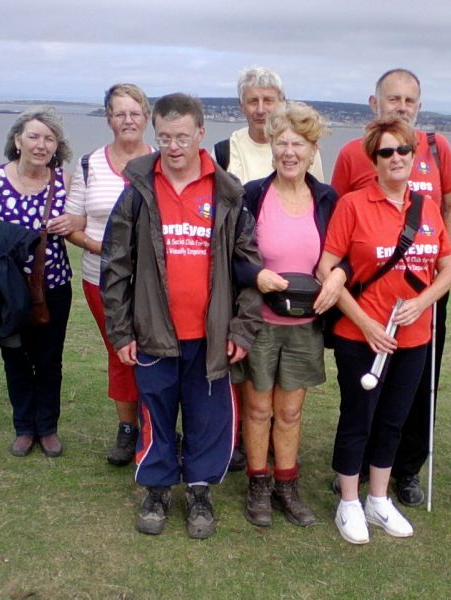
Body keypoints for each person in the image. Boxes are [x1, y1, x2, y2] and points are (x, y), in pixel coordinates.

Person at [100, 93, 263, 540]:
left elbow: (249, 269)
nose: (174, 147)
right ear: (156, 136)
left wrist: (242, 329)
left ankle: (199, 492)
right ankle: (156, 488)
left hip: (210, 338)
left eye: (183, 137)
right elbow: (115, 266)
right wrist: (120, 331)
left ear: (200, 134)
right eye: (165, 137)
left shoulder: (227, 193)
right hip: (153, 332)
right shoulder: (138, 193)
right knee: (156, 412)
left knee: (207, 417)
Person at [318, 117, 451, 544]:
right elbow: (327, 267)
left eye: (403, 150)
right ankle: (348, 502)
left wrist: (423, 301)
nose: (396, 158)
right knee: (359, 417)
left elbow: (448, 266)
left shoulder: (427, 208)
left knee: (394, 420)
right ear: (373, 159)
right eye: (386, 152)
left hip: (412, 338)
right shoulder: (354, 205)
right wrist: (364, 321)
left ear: (414, 157)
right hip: (359, 337)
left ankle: (378, 499)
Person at [233, 102, 343, 528]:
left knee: (291, 412)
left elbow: (347, 250)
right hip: (260, 321)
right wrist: (257, 275)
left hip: (305, 326)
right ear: (272, 147)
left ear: (313, 150)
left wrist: (340, 276)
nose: (290, 152)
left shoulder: (326, 198)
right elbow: (234, 253)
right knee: (258, 409)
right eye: (282, 143)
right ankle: (259, 485)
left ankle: (286, 484)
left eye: (299, 143)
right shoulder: (253, 194)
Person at [0, 106, 74, 458]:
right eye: (34, 136)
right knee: (16, 356)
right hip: (5, 290)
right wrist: (8, 236)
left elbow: (82, 221)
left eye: (49, 138)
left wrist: (71, 222)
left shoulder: (65, 180)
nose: (41, 144)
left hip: (53, 286)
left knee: (50, 358)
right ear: (18, 140)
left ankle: (48, 428)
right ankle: (24, 427)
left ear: (57, 146)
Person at [58, 83, 154, 466]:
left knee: (154, 354)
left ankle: (156, 427)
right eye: (119, 113)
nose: (127, 120)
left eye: (134, 112)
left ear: (146, 116)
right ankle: (127, 428)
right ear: (109, 118)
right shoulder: (89, 164)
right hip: (101, 278)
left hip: (153, 283)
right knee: (120, 353)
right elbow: (74, 225)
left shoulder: (164, 160)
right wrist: (110, 251)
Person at [215, 67, 324, 183]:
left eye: (268, 101)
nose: (260, 110)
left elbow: (317, 195)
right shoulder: (225, 152)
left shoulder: (303, 149)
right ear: (242, 106)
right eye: (253, 101)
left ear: (282, 102)